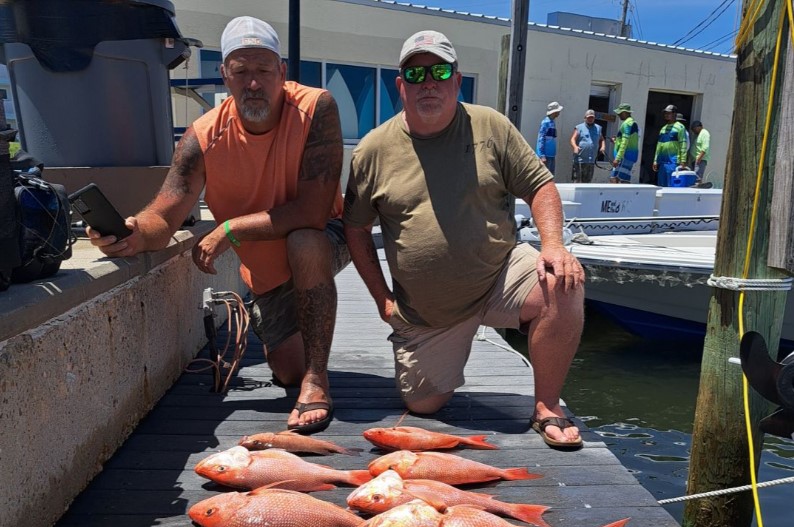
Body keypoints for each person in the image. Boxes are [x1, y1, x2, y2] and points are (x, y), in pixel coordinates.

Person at [87, 16, 349, 433]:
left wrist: (230, 229)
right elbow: (166, 213)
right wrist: (134, 234)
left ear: (282, 72)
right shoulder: (203, 135)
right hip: (267, 269)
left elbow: (312, 212)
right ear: (225, 74)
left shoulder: (318, 107)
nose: (253, 83)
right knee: (286, 375)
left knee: (305, 242)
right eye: (241, 71)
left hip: (324, 234)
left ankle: (319, 380)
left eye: (264, 70)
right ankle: (299, 363)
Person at [343, 30, 586, 449]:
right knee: (423, 405)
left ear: (456, 80)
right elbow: (355, 229)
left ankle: (547, 405)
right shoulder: (371, 151)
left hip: (498, 277)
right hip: (428, 311)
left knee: (564, 282)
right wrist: (382, 299)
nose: (428, 82)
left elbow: (541, 187)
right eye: (415, 74)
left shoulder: (491, 126)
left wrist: (553, 245)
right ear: (401, 86)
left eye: (439, 71)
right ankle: (449, 347)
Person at [653, 104, 688, 187]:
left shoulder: (680, 127)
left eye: (669, 113)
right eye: (665, 113)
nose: (666, 115)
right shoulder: (663, 128)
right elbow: (659, 145)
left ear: (674, 114)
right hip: (662, 162)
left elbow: (683, 144)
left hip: (673, 162)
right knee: (661, 185)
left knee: (671, 185)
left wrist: (683, 161)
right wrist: (655, 160)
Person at [570, 109, 605, 183]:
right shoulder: (579, 127)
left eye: (592, 117)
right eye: (588, 117)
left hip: (591, 161)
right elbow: (573, 139)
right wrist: (575, 147)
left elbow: (602, 139)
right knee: (577, 182)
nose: (590, 119)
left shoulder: (598, 128)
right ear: (585, 118)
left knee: (587, 183)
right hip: (580, 160)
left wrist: (602, 147)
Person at [609, 103, 639, 184]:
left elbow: (625, 142)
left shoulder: (627, 124)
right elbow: (628, 141)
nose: (618, 114)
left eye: (620, 113)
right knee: (624, 181)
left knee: (615, 179)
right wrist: (616, 141)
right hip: (628, 157)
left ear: (625, 112)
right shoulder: (632, 123)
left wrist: (617, 158)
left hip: (624, 157)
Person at [537, 101, 563, 174]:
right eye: (558, 111)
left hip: (551, 154)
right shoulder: (545, 122)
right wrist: (542, 155)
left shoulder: (552, 122)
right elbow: (541, 138)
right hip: (546, 155)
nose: (559, 113)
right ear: (554, 112)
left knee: (551, 175)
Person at [690, 120, 711, 186]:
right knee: (694, 176)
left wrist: (699, 158)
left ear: (698, 127)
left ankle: (698, 187)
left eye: (694, 129)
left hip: (700, 160)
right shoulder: (699, 135)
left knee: (697, 177)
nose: (693, 131)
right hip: (696, 160)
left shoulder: (704, 133)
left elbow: (705, 147)